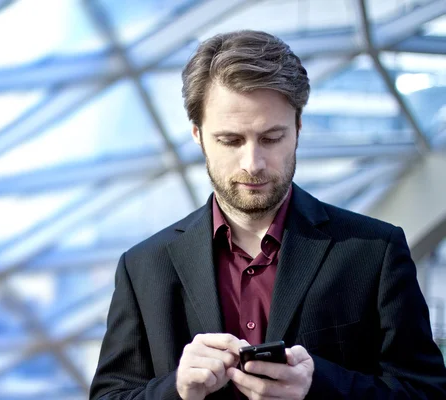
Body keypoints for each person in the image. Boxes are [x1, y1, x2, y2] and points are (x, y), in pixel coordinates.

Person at [89, 30, 446, 400]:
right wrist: (176, 389)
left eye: (272, 138)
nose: (253, 164)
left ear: (298, 129)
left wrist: (317, 385)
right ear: (197, 135)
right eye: (230, 141)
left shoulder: (373, 251)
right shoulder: (143, 267)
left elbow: (427, 393)